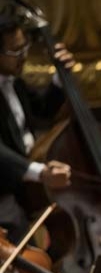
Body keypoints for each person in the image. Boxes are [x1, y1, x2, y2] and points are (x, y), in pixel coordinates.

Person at [0, 14, 72, 243]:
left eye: (24, 48)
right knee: (15, 225)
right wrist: (38, 172)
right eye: (14, 51)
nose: (23, 56)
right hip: (4, 184)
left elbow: (41, 110)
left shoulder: (14, 80)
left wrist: (60, 79)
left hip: (28, 177)